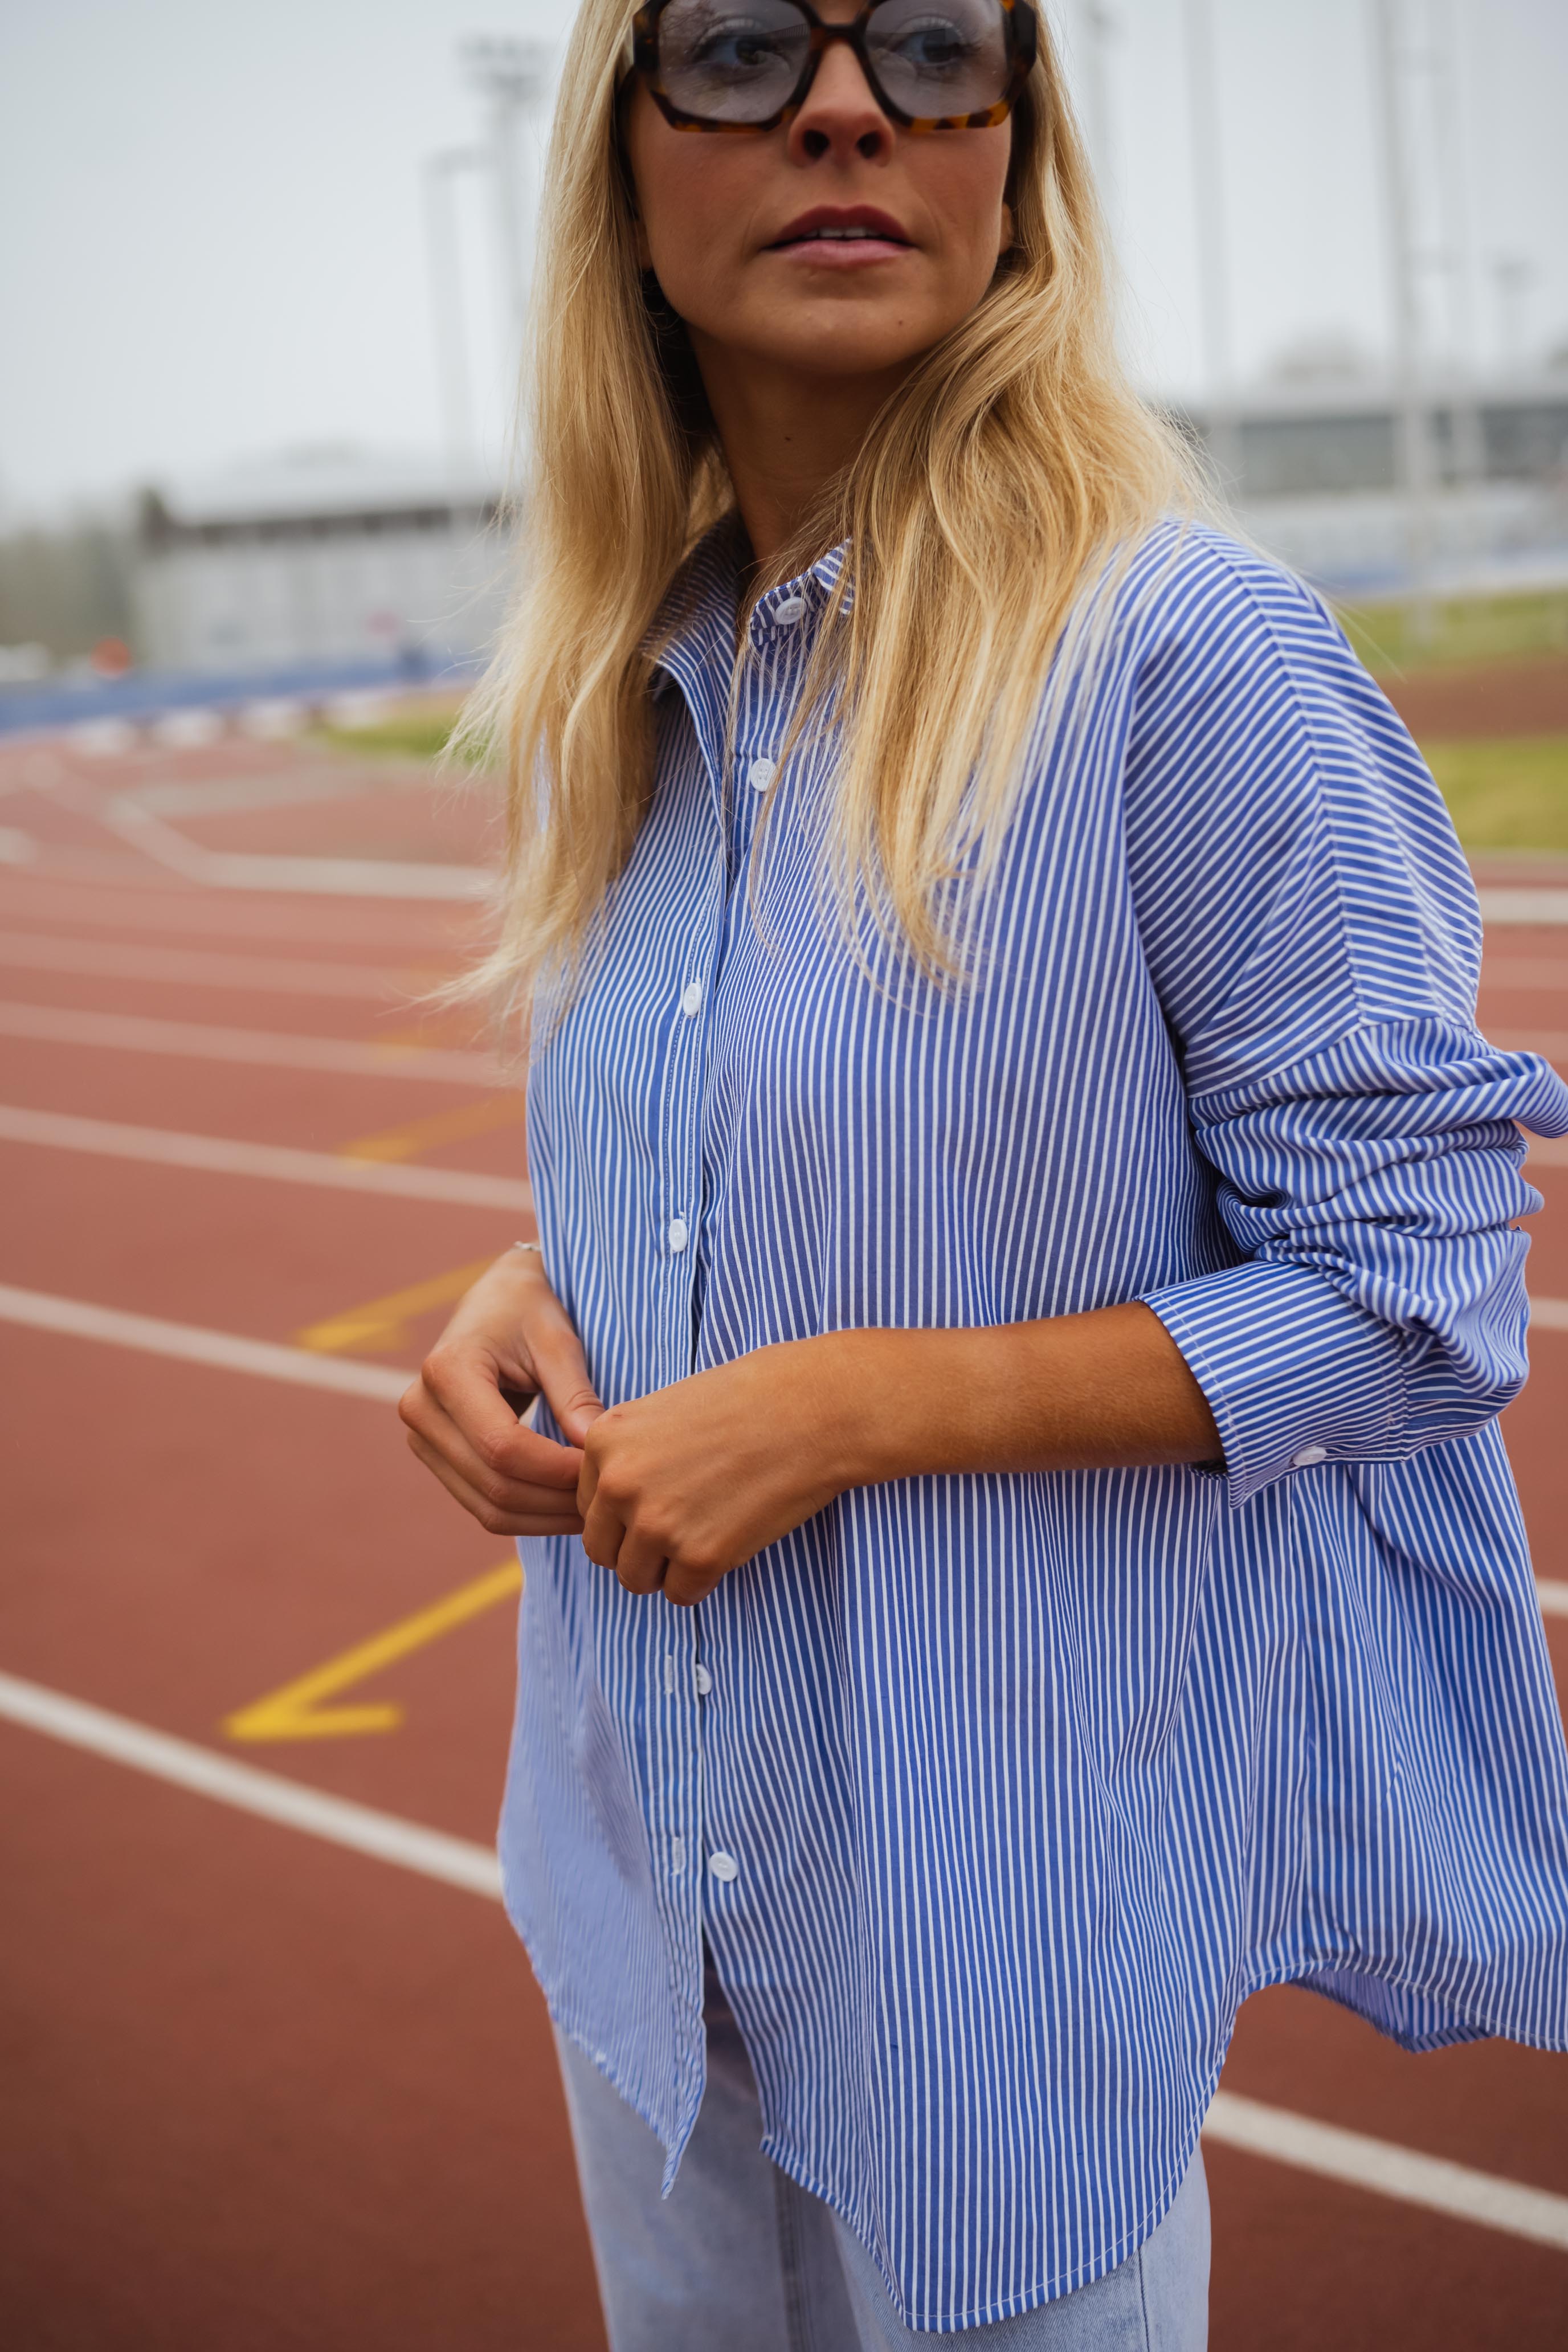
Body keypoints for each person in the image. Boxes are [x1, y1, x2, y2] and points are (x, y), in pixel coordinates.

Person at [398, 2, 1568, 2343]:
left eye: (929, 44)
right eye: (737, 47)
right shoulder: (638, 678)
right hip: (652, 1910)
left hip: (991, 1961)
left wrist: (841, 1409)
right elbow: (792, 1129)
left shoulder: (1188, 659)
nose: (843, 104)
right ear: (616, 169)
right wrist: (532, 1285)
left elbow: (1416, 1296)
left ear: (1009, 154)